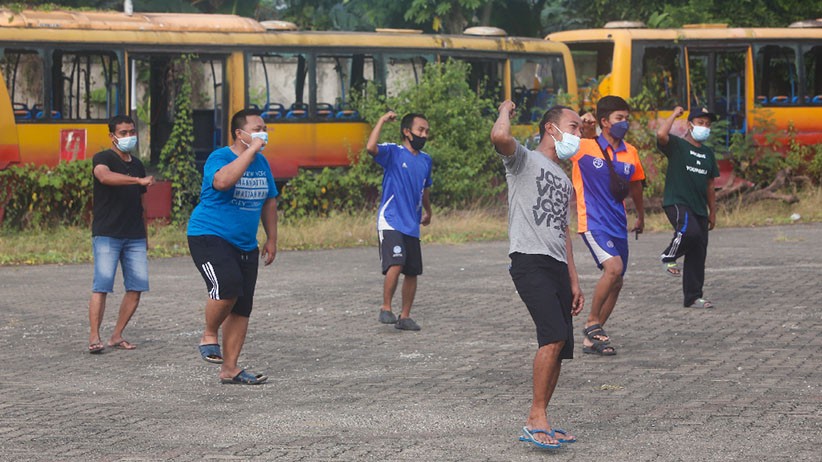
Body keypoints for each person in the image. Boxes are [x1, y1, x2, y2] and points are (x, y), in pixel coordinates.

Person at [491, 100, 584, 449]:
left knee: (560, 346)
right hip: (529, 259)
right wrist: (505, 110)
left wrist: (574, 281)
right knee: (552, 335)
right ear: (551, 128)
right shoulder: (523, 160)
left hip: (557, 263)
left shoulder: (564, 178)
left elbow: (564, 231)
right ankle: (535, 417)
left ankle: (542, 413)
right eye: (573, 127)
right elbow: (500, 135)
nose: (578, 134)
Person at [187, 108, 278, 385]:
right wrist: (250, 152)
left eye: (265, 127)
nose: (263, 132)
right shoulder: (220, 157)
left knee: (242, 307)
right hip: (209, 235)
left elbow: (270, 201)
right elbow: (223, 182)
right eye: (257, 127)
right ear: (240, 134)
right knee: (227, 287)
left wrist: (272, 238)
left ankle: (230, 368)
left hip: (245, 243)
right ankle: (208, 335)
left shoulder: (262, 164)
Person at [569, 95, 645, 356]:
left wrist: (641, 216)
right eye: (619, 118)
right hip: (593, 222)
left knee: (618, 280)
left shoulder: (630, 153)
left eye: (626, 118)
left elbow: (636, 187)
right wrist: (581, 123)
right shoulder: (583, 147)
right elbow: (560, 139)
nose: (624, 123)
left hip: (618, 224)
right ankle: (592, 322)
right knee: (613, 269)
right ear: (604, 121)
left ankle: (593, 338)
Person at [88, 115, 154, 354]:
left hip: (134, 235)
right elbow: (104, 176)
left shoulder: (137, 164)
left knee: (136, 288)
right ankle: (95, 336)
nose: (129, 137)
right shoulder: (103, 158)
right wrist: (136, 180)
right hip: (107, 233)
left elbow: (142, 203)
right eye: (123, 133)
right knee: (102, 286)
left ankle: (117, 335)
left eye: (131, 132)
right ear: (112, 136)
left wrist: (146, 236)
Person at [366, 111, 433, 331]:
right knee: (397, 262)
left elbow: (425, 190)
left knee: (412, 271)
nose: (424, 134)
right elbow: (370, 148)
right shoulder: (394, 153)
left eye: (426, 131)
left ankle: (405, 316)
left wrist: (428, 211)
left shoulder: (425, 160)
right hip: (391, 220)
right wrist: (382, 120)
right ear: (407, 131)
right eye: (420, 130)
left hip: (412, 224)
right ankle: (386, 307)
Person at [657, 106, 719, 308]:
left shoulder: (709, 154)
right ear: (689, 125)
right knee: (688, 231)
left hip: (700, 208)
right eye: (701, 123)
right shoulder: (677, 146)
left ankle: (693, 297)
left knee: (698, 252)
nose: (705, 127)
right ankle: (669, 255)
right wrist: (674, 114)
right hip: (677, 202)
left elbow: (710, 186)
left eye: (708, 125)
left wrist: (713, 212)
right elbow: (661, 134)